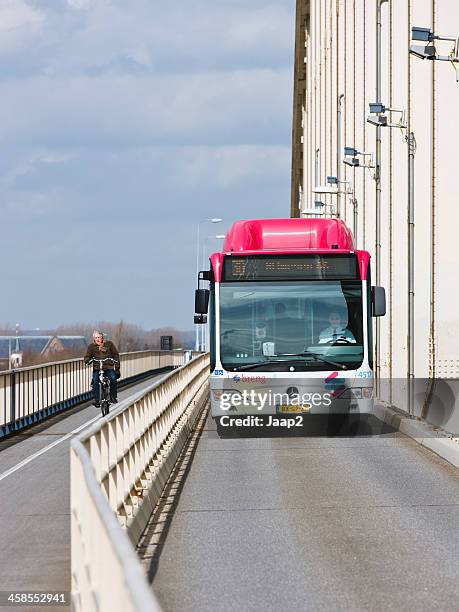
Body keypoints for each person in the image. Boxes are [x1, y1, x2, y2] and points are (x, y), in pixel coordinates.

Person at [84, 330, 120, 407]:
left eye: (99, 337)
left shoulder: (109, 344)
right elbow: (87, 357)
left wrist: (117, 367)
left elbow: (115, 355)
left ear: (102, 337)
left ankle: (113, 397)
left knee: (113, 378)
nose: (97, 339)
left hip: (108, 367)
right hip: (97, 368)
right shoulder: (91, 347)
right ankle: (97, 400)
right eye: (95, 338)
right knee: (95, 381)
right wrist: (88, 361)